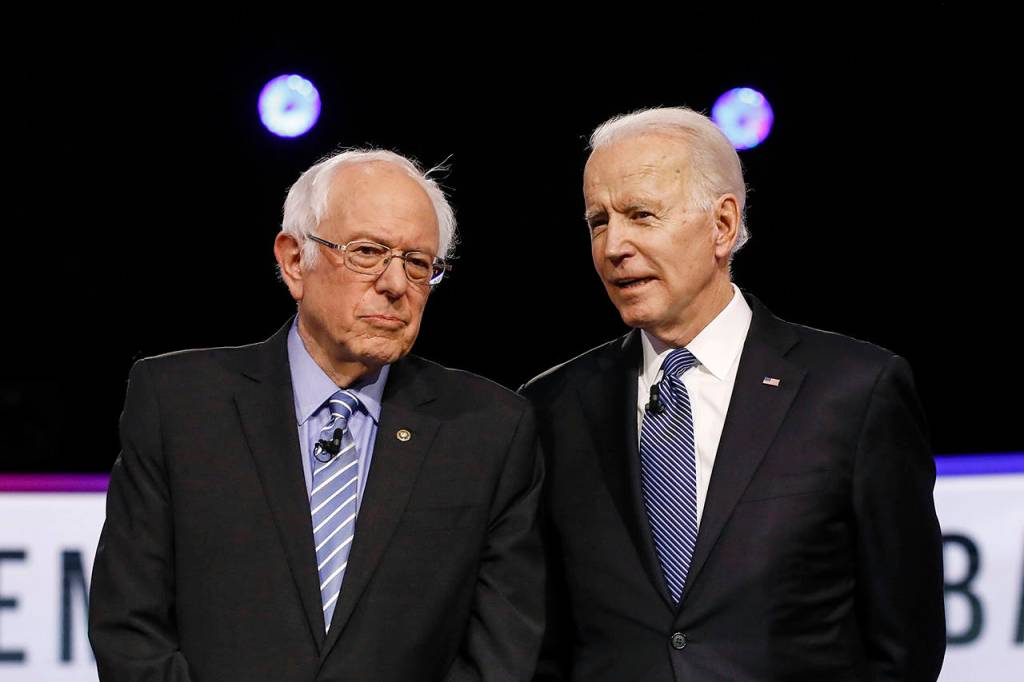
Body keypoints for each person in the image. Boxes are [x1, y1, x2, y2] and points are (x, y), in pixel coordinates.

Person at [521, 107, 945, 681]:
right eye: (598, 221)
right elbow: (544, 638)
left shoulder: (855, 392)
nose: (614, 245)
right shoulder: (552, 408)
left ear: (722, 225)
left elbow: (905, 642)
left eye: (642, 215)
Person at [89, 149, 544, 681]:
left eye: (418, 264)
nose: (396, 285)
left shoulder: (490, 429)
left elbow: (501, 653)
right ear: (292, 260)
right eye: (367, 252)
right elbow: (129, 629)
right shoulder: (179, 404)